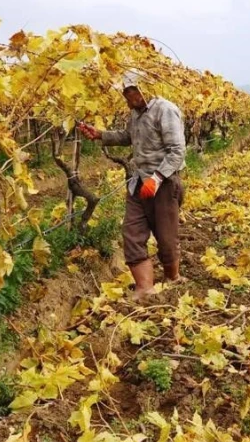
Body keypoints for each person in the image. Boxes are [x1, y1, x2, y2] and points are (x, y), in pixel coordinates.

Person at [77, 71, 186, 300]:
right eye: (125, 93)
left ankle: (173, 278)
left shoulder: (165, 110)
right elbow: (129, 137)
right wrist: (100, 135)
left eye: (132, 91)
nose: (128, 97)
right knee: (132, 232)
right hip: (139, 181)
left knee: (166, 236)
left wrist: (156, 179)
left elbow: (177, 152)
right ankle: (145, 288)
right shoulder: (135, 114)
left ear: (144, 88)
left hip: (164, 182)